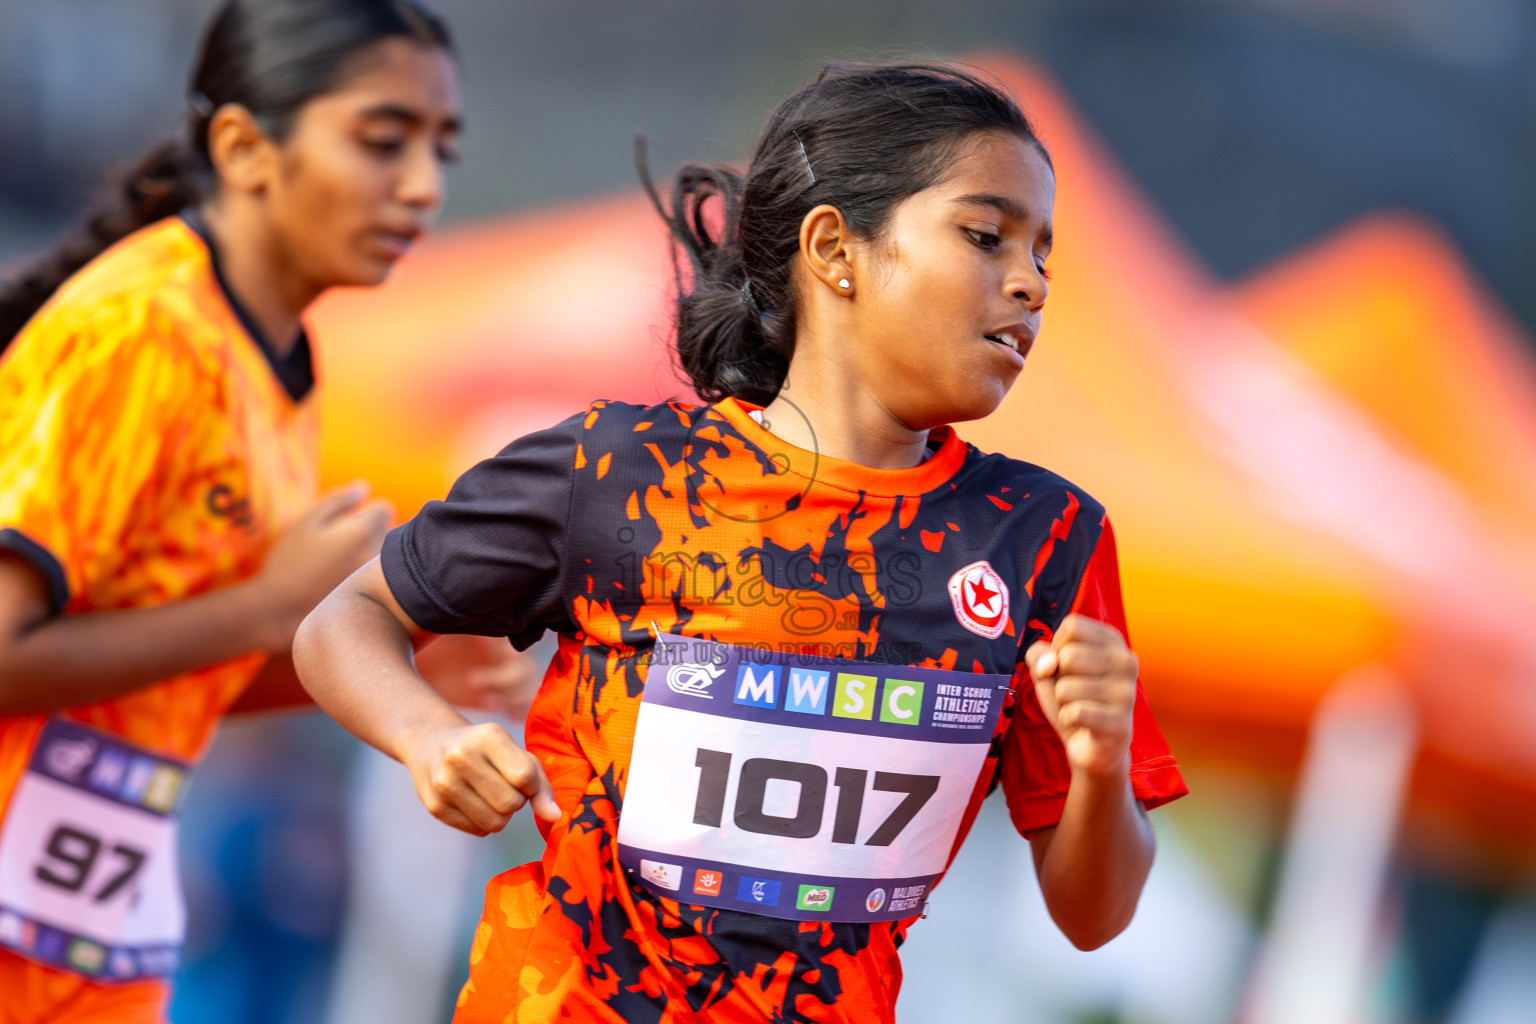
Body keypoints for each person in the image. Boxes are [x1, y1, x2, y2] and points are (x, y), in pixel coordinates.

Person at [296, 62, 1189, 1023]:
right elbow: (343, 621)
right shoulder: (617, 473)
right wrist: (426, 734)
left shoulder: (1044, 539)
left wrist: (1100, 770)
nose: (1031, 284)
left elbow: (1094, 918)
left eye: (1044, 257)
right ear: (834, 249)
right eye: (985, 236)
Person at [0, 1, 460, 1019]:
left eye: (441, 147)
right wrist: (267, 608)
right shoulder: (142, 332)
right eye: (383, 141)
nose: (423, 186)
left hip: (82, 942)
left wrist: (413, 657)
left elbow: (170, 676)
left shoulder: (271, 364)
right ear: (246, 147)